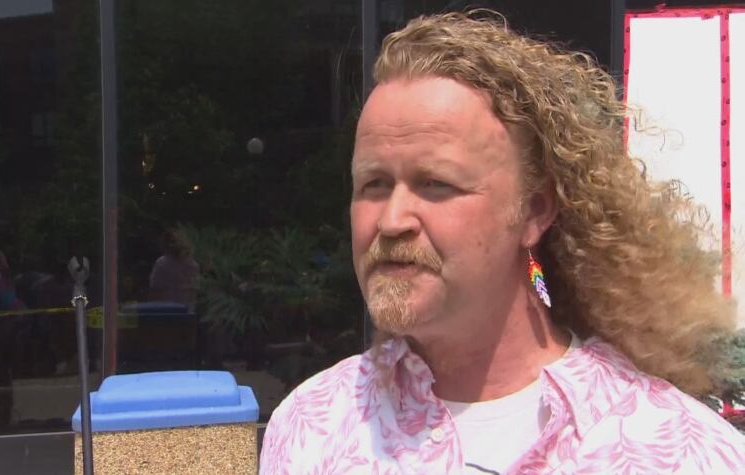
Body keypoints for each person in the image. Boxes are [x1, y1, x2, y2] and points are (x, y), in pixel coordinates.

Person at [259, 12, 745, 474]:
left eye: (436, 184)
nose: (391, 220)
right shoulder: (311, 426)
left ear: (534, 211)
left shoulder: (675, 450)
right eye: (373, 185)